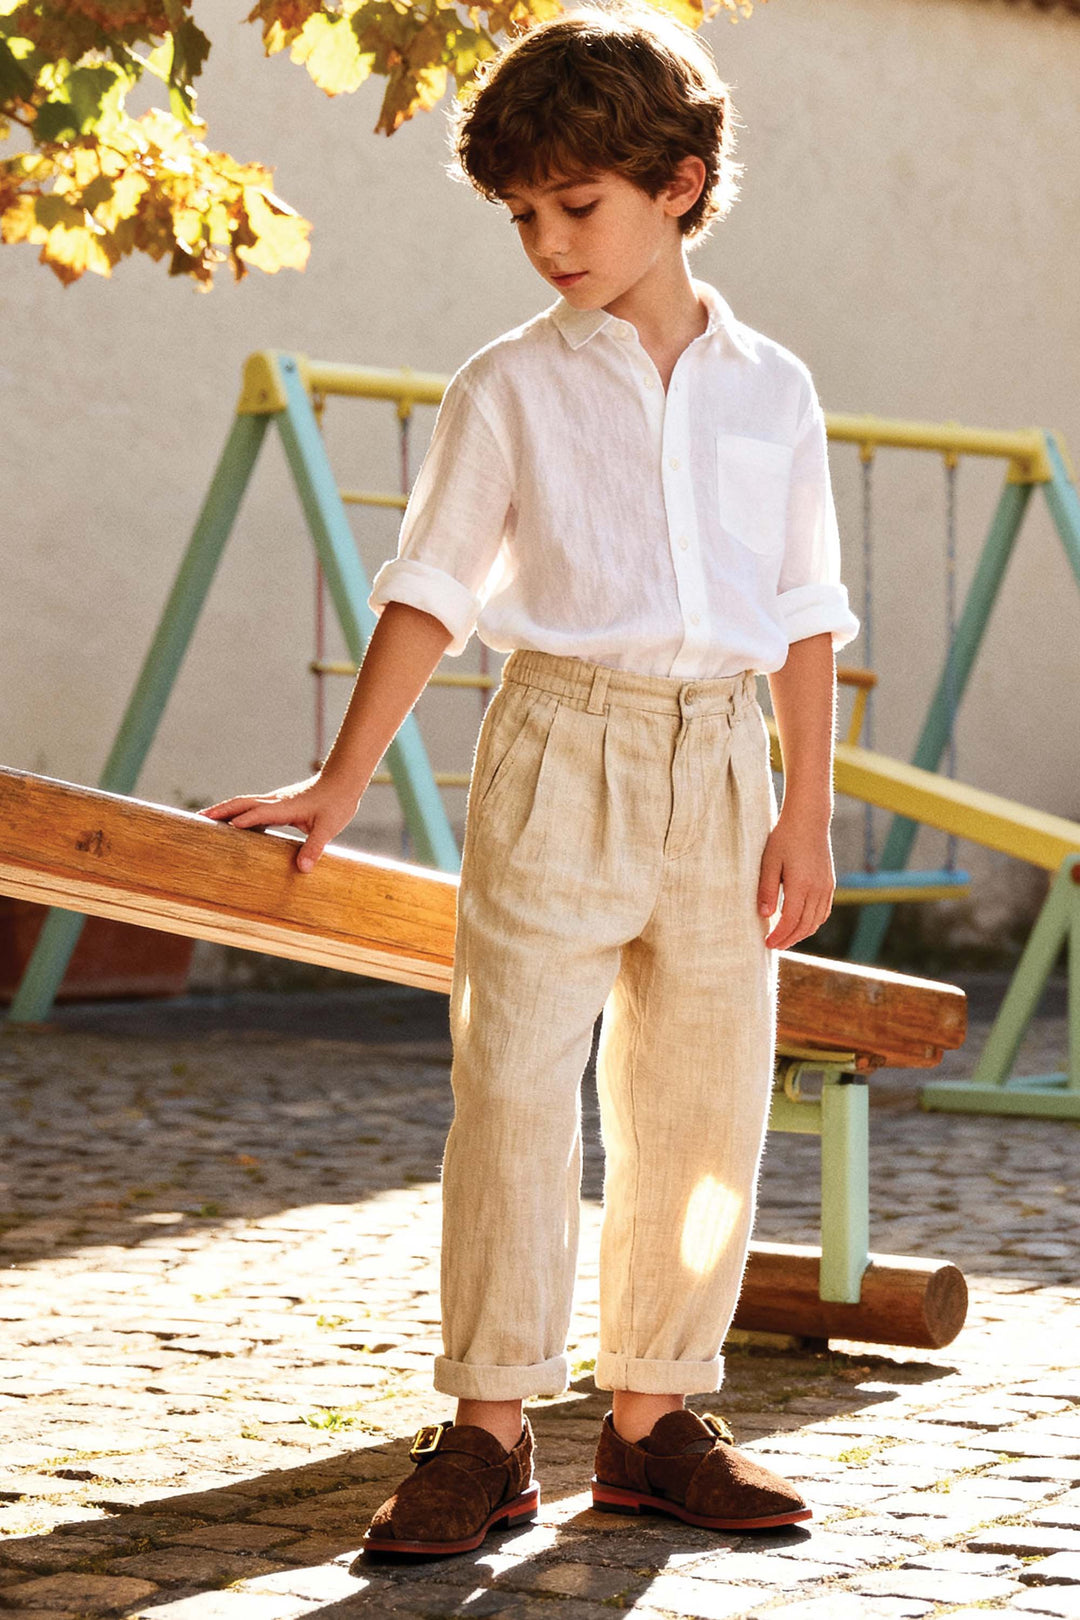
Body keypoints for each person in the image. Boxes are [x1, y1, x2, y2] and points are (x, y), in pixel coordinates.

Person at [204, 0, 859, 1561]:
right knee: (509, 1093)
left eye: (578, 205)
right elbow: (431, 586)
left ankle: (653, 1422)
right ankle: (488, 1435)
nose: (549, 242)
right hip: (557, 748)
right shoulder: (507, 383)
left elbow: (806, 611)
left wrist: (807, 809)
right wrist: (341, 778)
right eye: (522, 216)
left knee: (702, 1104)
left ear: (680, 186)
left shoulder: (774, 387)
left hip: (724, 761)